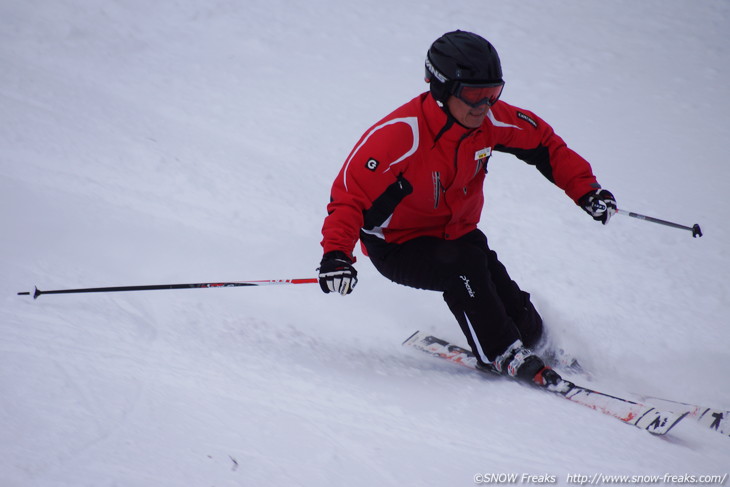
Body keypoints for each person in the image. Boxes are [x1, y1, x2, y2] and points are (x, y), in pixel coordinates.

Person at [317, 30, 616, 388]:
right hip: (397, 245)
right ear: (442, 89)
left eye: (493, 93)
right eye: (474, 95)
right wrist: (336, 256)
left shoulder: (488, 120)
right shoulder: (399, 135)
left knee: (499, 284)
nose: (484, 106)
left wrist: (586, 190)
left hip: (456, 233)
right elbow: (348, 198)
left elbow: (544, 143)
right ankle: (501, 352)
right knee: (464, 269)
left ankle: (539, 344)